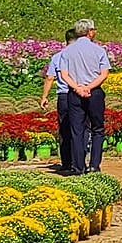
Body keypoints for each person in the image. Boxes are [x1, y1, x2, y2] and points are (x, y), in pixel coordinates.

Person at [60, 19, 111, 174]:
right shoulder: (98, 50)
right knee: (97, 128)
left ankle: (78, 166)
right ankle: (94, 165)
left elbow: (64, 74)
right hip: (94, 92)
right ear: (90, 31)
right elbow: (104, 73)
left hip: (74, 93)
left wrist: (77, 88)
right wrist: (89, 87)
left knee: (77, 130)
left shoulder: (67, 51)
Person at [40, 28, 79, 174]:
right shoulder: (80, 55)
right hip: (79, 93)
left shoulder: (57, 56)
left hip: (63, 95)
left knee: (64, 129)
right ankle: (79, 161)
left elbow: (50, 77)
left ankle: (66, 163)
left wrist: (44, 96)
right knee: (80, 128)